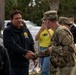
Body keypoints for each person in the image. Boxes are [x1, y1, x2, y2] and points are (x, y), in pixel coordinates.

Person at [33, 10, 75, 75]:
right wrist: (35, 55)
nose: (44, 23)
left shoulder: (61, 31)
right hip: (59, 68)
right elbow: (50, 50)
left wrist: (54, 49)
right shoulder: (56, 31)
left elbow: (70, 49)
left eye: (44, 21)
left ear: (48, 21)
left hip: (66, 69)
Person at [3, 10, 36, 75]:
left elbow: (31, 43)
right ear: (11, 19)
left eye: (20, 18)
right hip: (13, 64)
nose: (19, 20)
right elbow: (12, 45)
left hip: (24, 64)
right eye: (16, 18)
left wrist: (34, 57)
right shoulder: (8, 31)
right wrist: (25, 52)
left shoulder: (25, 30)